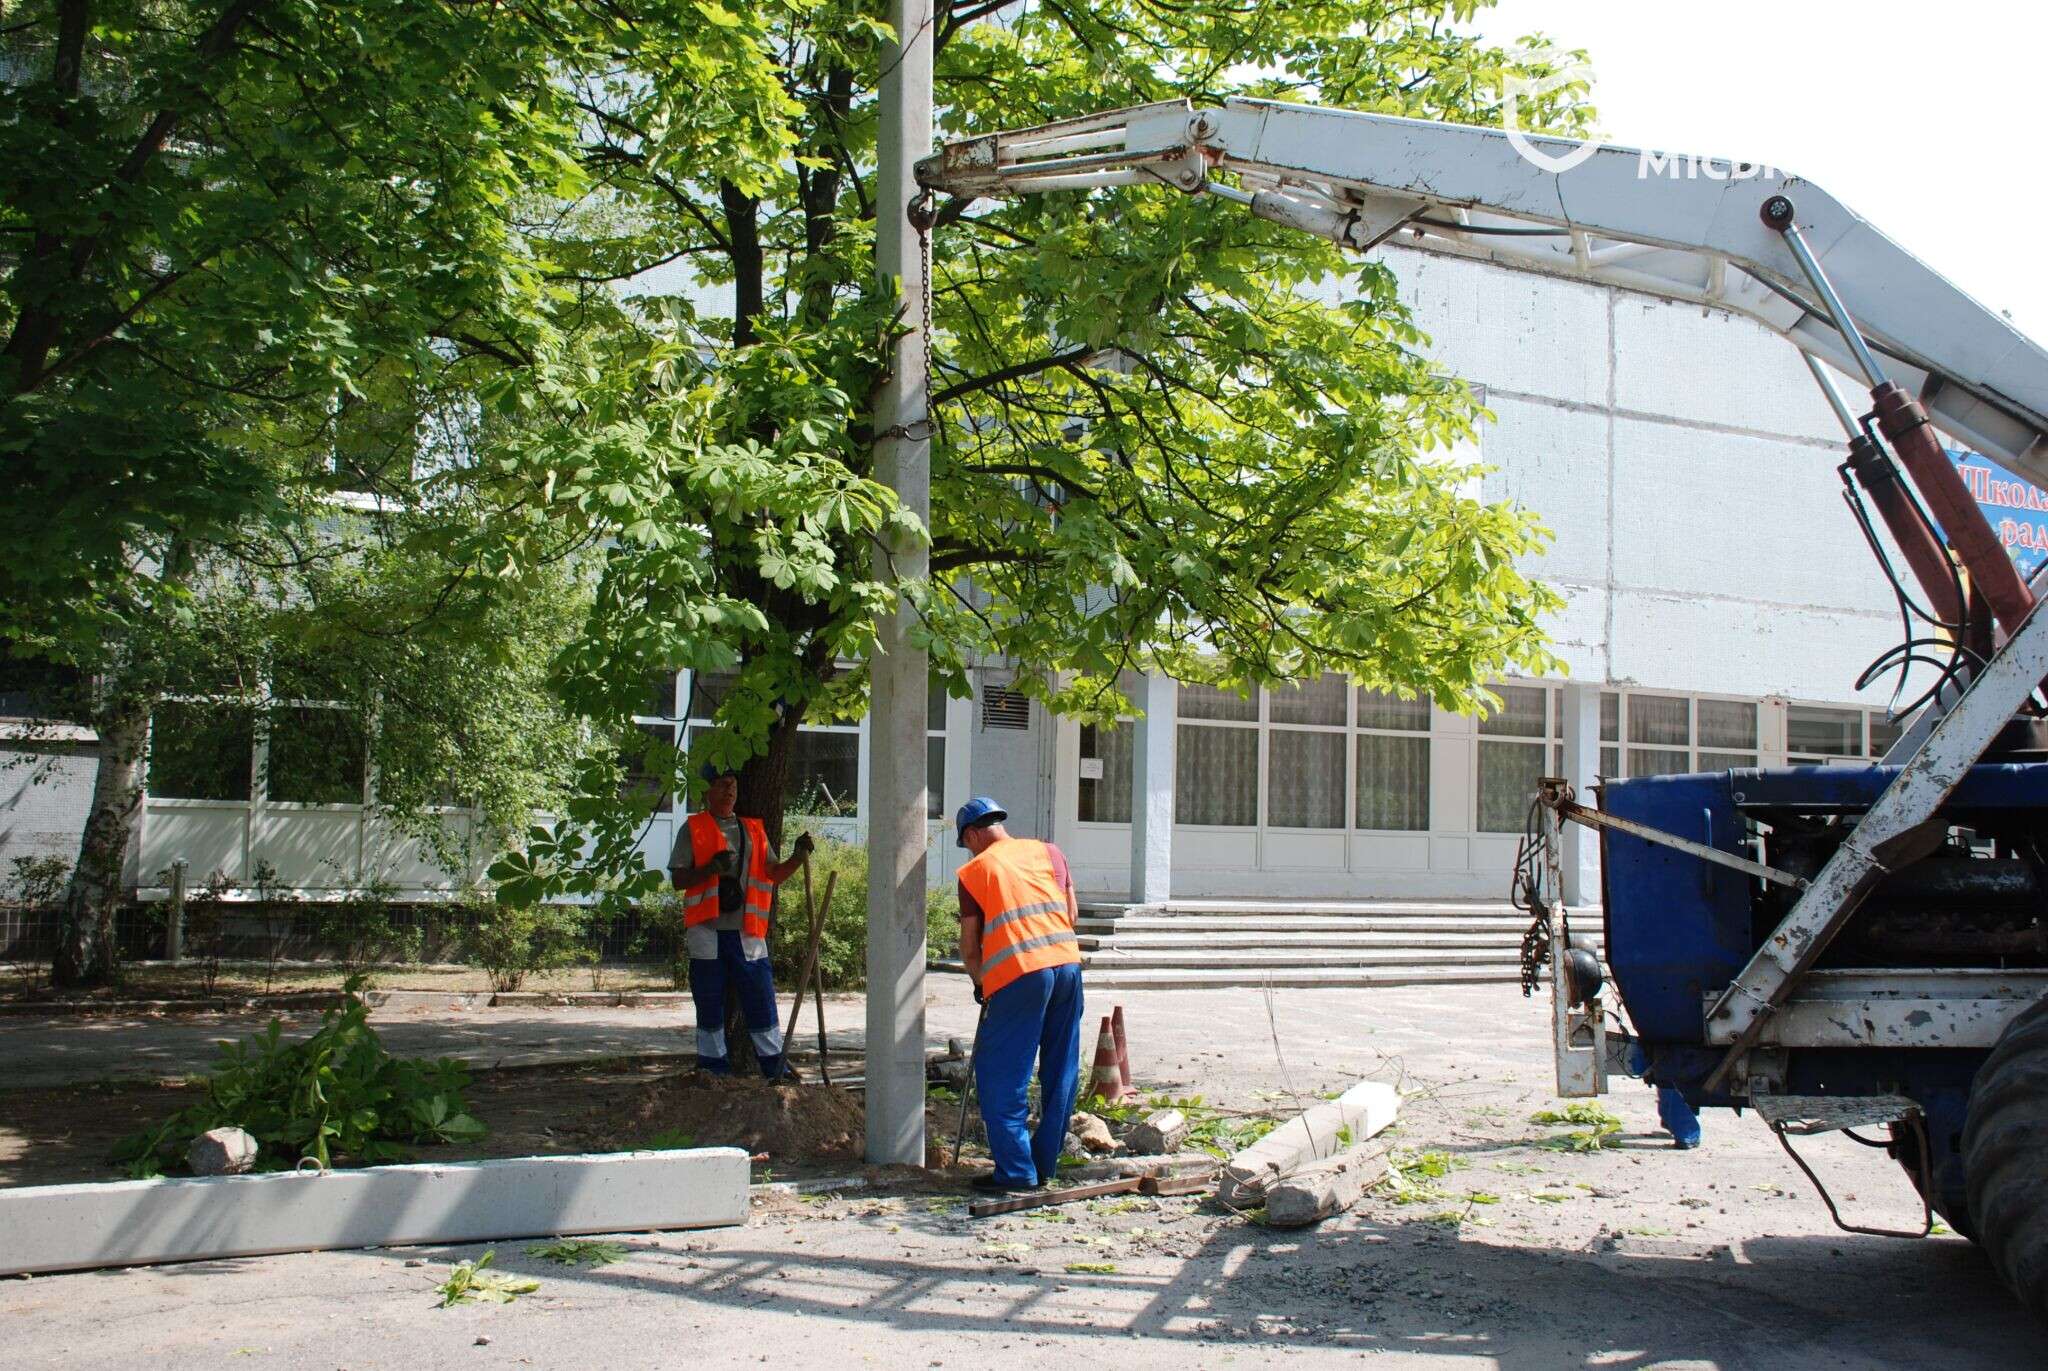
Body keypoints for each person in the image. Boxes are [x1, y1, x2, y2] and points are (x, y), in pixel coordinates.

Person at [954, 796, 1085, 1193]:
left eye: (966, 842)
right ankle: (1044, 1165)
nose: (968, 849)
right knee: (1061, 1069)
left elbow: (970, 948)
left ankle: (1015, 1172)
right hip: (1067, 966)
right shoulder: (1050, 853)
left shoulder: (975, 870)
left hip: (1020, 976)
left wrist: (981, 983)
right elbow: (1071, 914)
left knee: (1001, 1074)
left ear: (974, 834)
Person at [669, 763, 814, 1078]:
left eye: (732, 784)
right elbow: (678, 879)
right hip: (706, 929)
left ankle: (774, 1066)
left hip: (747, 929)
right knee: (709, 999)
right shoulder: (692, 829)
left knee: (760, 995)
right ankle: (712, 1068)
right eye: (721, 784)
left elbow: (774, 874)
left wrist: (798, 856)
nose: (729, 790)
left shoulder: (752, 830)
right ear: (707, 790)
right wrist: (708, 869)